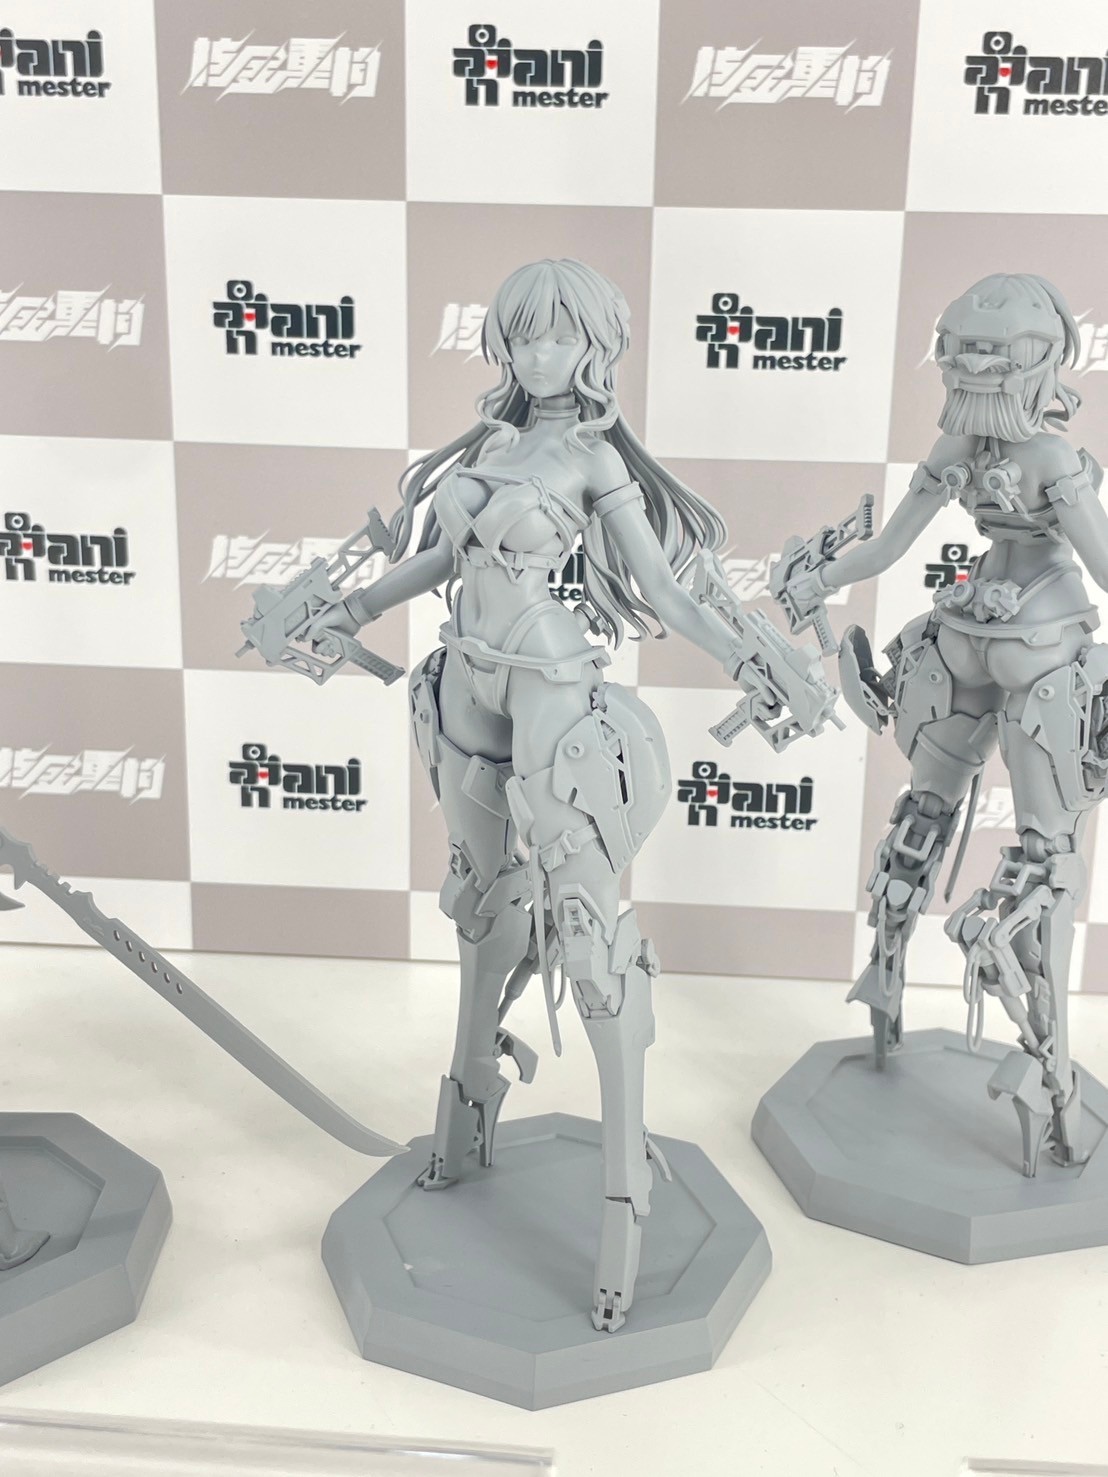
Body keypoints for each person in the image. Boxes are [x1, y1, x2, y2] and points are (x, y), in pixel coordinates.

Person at [307, 258, 827, 1330]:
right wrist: (344, 609)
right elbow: (435, 564)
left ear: (596, 348)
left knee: (589, 937)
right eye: (522, 335)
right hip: (463, 680)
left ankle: (625, 1192)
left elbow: (666, 588)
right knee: (479, 908)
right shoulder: (489, 446)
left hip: (549, 683)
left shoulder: (594, 459)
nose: (539, 354)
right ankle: (463, 1127)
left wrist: (755, 657)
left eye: (560, 336)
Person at [776, 272, 1108, 1176]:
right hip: (1035, 648)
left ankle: (893, 1001)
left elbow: (885, 551)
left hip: (963, 639)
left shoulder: (968, 442)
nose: (972, 367)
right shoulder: (1047, 457)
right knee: (1041, 866)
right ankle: (1054, 1092)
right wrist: (822, 577)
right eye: (967, 352)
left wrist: (819, 579)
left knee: (922, 824)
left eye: (984, 354)